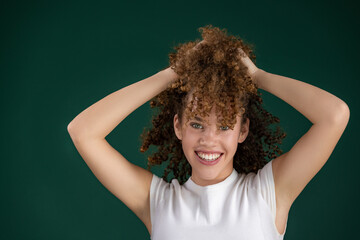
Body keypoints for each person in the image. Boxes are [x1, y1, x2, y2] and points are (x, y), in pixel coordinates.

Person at [67, 25, 350, 240]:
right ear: (178, 126)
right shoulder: (156, 201)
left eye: (225, 125)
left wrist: (257, 77)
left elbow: (334, 115)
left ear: (243, 130)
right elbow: (82, 131)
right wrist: (172, 74)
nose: (209, 140)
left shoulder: (269, 193)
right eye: (197, 124)